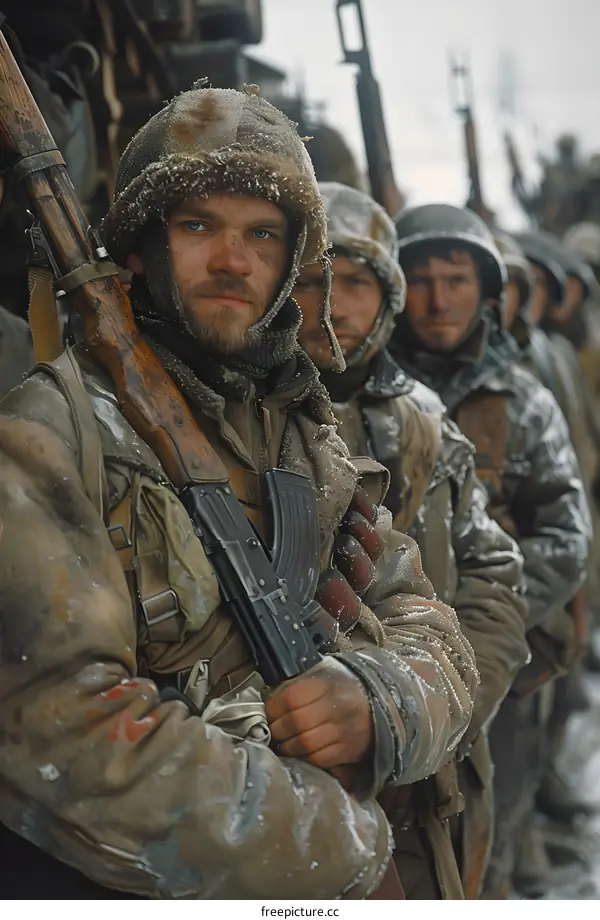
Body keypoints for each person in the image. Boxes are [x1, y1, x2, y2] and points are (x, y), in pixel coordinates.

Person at [0, 85, 478, 900]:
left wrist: (376, 703)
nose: (233, 261)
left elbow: (427, 623)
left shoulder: (301, 431)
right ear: (144, 246)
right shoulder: (54, 432)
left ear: (291, 259)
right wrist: (338, 840)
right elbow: (56, 725)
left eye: (262, 233)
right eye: (198, 226)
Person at [294, 183, 528, 899]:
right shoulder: (232, 420)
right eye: (312, 280)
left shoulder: (425, 427)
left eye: (357, 283)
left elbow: (493, 575)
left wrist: (441, 705)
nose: (333, 303)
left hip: (425, 773)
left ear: (386, 298)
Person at [389, 203, 591, 899]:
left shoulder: (523, 399)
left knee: (485, 845)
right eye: (420, 279)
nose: (439, 300)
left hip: (499, 666)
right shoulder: (364, 391)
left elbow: (566, 536)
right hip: (386, 669)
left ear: (487, 293)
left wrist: (482, 625)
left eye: (457, 279)